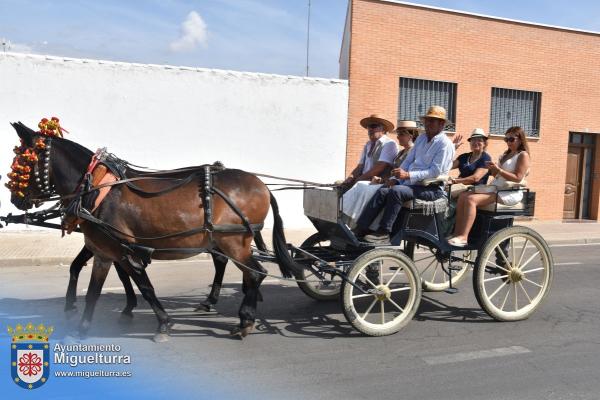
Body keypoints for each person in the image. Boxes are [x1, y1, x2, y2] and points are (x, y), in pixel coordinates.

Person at [355, 106, 455, 243]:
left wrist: (407, 175)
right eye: (427, 121)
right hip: (413, 184)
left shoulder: (445, 144)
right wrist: (394, 178)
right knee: (384, 190)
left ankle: (384, 232)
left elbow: (435, 172)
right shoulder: (421, 139)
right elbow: (408, 160)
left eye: (432, 121)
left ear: (442, 124)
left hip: (431, 188)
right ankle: (362, 228)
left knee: (397, 192)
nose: (428, 124)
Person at [448, 126, 531, 247]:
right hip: (497, 188)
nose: (508, 142)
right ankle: (457, 233)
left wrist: (498, 170)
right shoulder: (505, 155)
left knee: (471, 199)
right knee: (463, 196)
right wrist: (492, 170)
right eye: (506, 139)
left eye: (511, 139)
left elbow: (518, 177)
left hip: (509, 191)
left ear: (520, 139)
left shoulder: (523, 155)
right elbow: (496, 174)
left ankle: (464, 237)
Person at [342, 120, 420, 226]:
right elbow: (392, 171)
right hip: (390, 181)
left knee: (365, 188)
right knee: (360, 186)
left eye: (401, 134)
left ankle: (362, 223)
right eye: (398, 134)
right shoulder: (401, 152)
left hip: (402, 184)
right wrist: (382, 179)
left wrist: (387, 180)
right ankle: (347, 217)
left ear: (411, 136)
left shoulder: (413, 152)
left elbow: (407, 172)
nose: (398, 137)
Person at [342, 114, 398, 188]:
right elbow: (360, 166)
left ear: (383, 129)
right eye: (368, 127)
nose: (370, 129)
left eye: (373, 126)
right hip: (364, 180)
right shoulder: (368, 144)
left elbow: (380, 167)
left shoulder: (389, 143)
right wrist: (350, 178)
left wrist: (359, 179)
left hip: (377, 182)